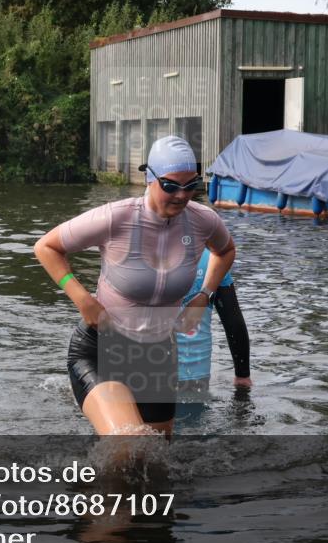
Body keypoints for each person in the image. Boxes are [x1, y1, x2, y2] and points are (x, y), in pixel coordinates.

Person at [34, 136, 235, 437]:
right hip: (102, 348)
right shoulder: (117, 217)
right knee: (127, 441)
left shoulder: (203, 221)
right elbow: (46, 247)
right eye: (170, 186)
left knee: (154, 458)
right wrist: (82, 298)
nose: (182, 196)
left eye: (191, 185)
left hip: (157, 356)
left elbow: (226, 251)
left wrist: (204, 296)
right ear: (149, 177)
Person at [176, 248, 252, 405]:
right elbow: (233, 322)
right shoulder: (213, 261)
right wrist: (242, 376)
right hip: (195, 378)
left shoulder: (130, 258)